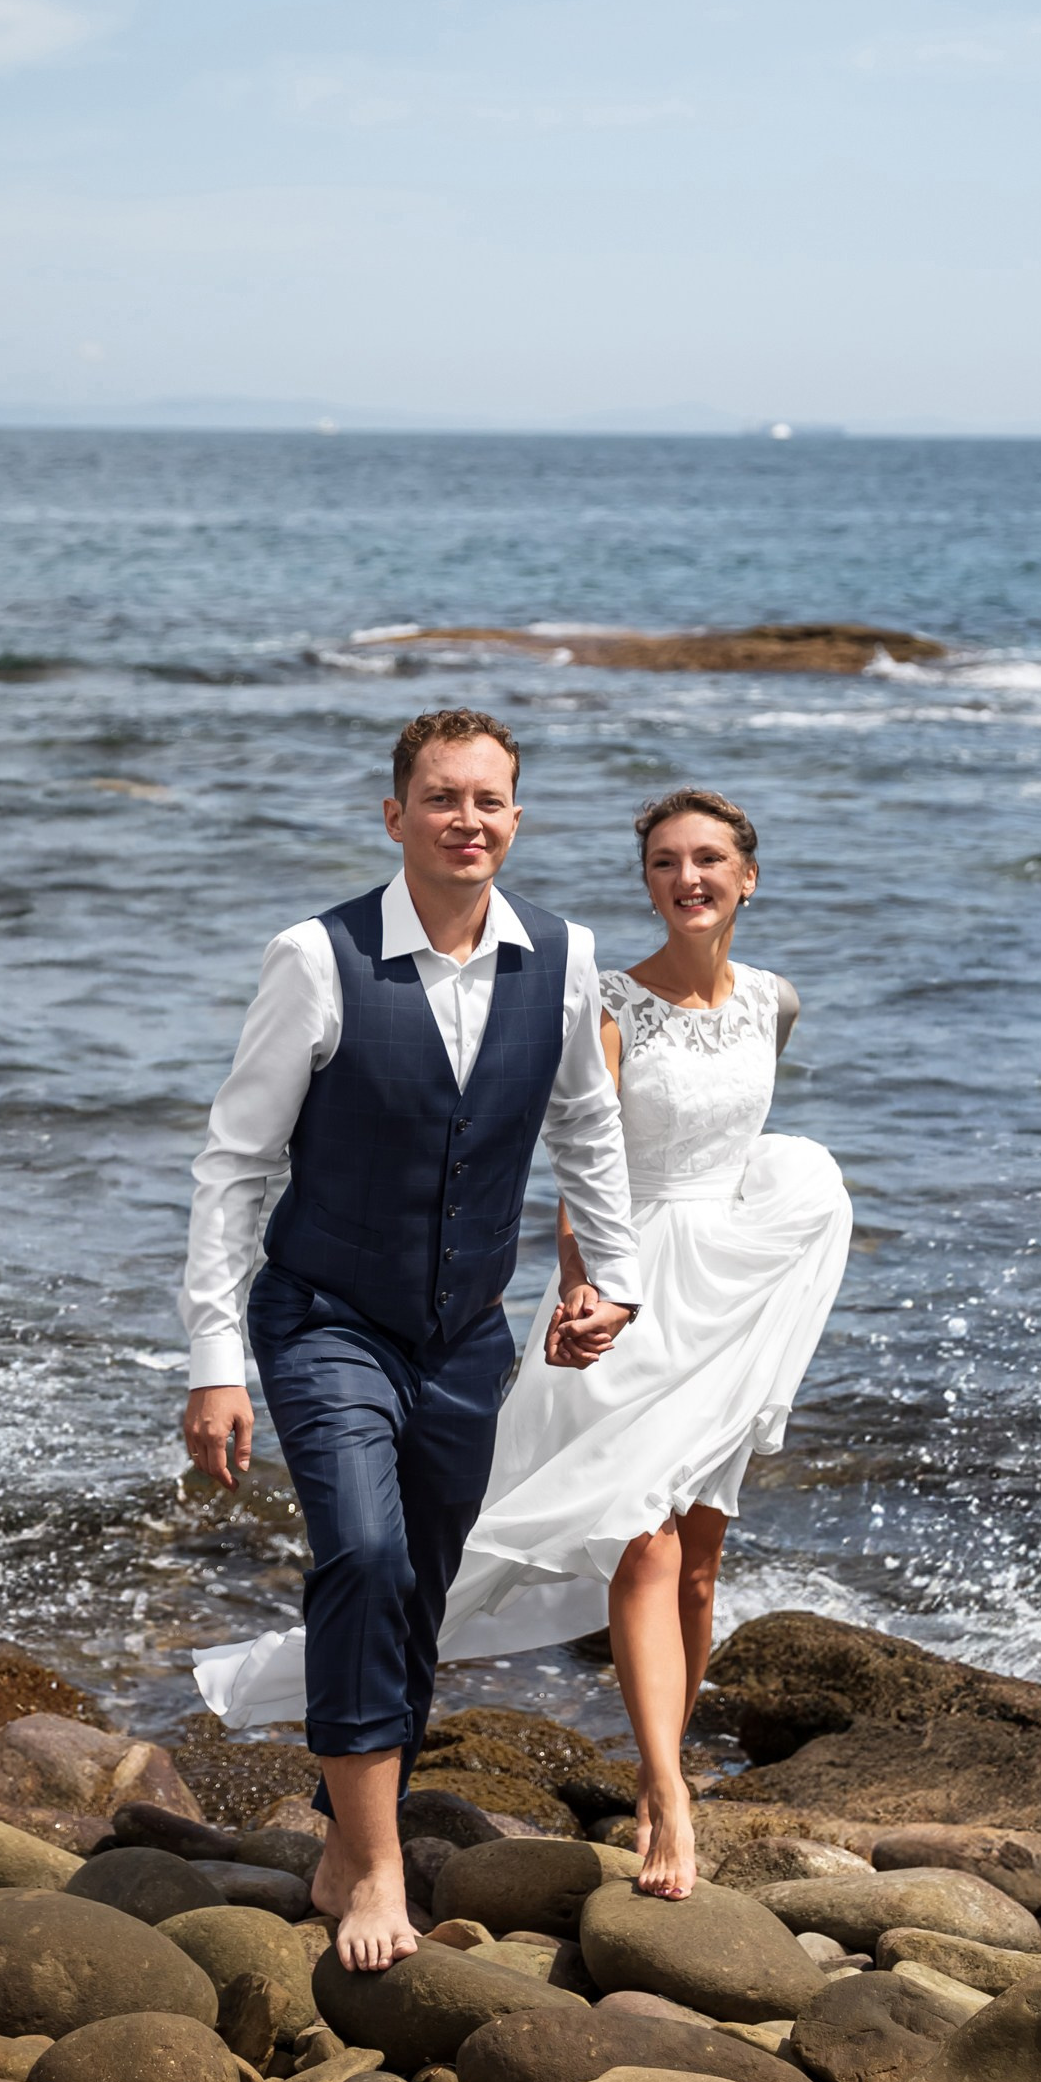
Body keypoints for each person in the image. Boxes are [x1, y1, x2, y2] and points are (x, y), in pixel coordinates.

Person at [179, 709, 641, 1971]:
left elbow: (585, 1124)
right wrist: (214, 1359)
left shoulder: (562, 954)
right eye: (442, 797)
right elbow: (233, 1164)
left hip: (464, 1335)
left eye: (488, 799)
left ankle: (343, 1834)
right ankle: (377, 1865)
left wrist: (616, 1277)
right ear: (395, 816)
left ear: (516, 817)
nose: (466, 820)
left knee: (420, 1585)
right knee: (364, 1553)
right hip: (323, 1315)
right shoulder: (316, 957)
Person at [441, 787, 852, 1899]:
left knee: (701, 1560)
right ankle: (668, 1789)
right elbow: (584, 1168)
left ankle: (657, 1758)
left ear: (747, 877)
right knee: (645, 1539)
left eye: (708, 859)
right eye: (665, 861)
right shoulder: (608, 1005)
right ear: (648, 882)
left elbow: (742, 1146)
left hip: (725, 1292)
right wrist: (585, 1288)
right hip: (627, 1283)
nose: (687, 878)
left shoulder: (773, 1000)